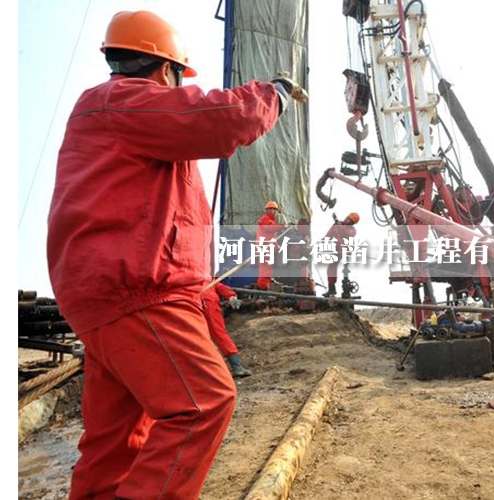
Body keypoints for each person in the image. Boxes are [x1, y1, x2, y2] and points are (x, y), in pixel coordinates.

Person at [46, 10, 304, 500]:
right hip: (138, 289)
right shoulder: (124, 102)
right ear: (166, 69)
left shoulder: (115, 120)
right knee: (203, 402)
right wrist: (273, 93)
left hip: (106, 295)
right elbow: (219, 119)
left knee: (116, 441)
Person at [200, 282, 251, 378]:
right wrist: (230, 296)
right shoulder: (204, 275)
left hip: (188, 303)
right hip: (207, 302)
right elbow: (216, 284)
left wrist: (230, 295)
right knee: (219, 333)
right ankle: (237, 367)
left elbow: (216, 284)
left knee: (193, 336)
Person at [322, 213, 359, 297]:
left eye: (351, 222)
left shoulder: (352, 230)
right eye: (348, 218)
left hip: (347, 250)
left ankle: (345, 285)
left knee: (345, 269)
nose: (348, 221)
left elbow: (347, 234)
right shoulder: (337, 225)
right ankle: (331, 289)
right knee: (331, 268)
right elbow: (328, 236)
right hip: (337, 249)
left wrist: (339, 225)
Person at [256, 200, 284, 290]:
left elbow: (272, 238)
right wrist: (281, 226)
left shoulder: (270, 221)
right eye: (272, 209)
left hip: (268, 247)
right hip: (264, 247)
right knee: (265, 269)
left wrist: (277, 247)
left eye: (275, 210)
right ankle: (263, 286)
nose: (274, 212)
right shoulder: (265, 219)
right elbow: (270, 228)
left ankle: (266, 284)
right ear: (268, 210)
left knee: (268, 268)